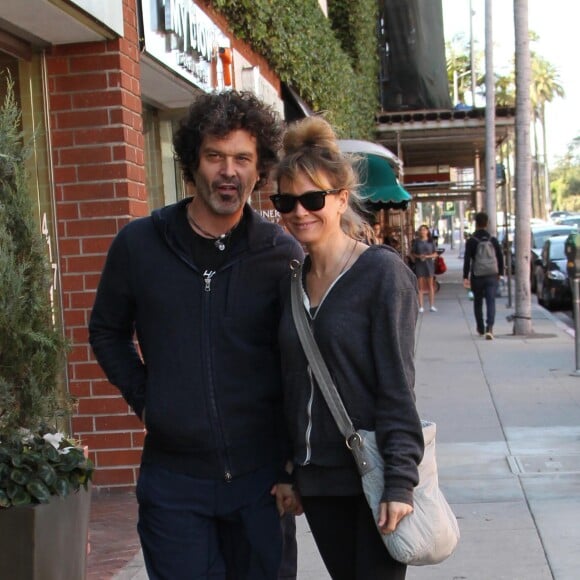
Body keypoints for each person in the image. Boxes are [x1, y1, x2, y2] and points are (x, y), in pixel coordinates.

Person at [89, 91, 304, 580]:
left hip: (260, 484)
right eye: (215, 156)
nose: (228, 171)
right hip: (174, 481)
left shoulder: (281, 255)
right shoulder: (139, 244)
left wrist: (293, 467)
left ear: (259, 168)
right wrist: (148, 400)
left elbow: (301, 365)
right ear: (192, 162)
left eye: (242, 159)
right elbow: (107, 331)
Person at [271, 116, 423, 580]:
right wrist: (290, 471)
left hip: (372, 478)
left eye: (313, 199)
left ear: (340, 199)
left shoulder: (381, 274)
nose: (300, 212)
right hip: (319, 484)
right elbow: (289, 386)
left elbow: (397, 387)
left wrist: (400, 481)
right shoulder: (291, 283)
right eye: (286, 201)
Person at [462, 211, 504, 339]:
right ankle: (489, 328)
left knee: (478, 302)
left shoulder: (472, 241)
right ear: (487, 223)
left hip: (477, 276)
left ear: (476, 223)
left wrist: (465, 276)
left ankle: (480, 328)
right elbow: (500, 257)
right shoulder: (493, 240)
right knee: (491, 301)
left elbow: (467, 259)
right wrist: (500, 273)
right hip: (491, 275)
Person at [411, 225, 438, 313]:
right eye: (421, 230)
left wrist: (427, 256)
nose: (422, 232)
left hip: (429, 264)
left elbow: (435, 254)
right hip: (420, 264)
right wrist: (418, 256)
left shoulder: (431, 242)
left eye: (424, 230)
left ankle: (432, 305)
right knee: (420, 286)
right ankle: (421, 306)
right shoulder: (417, 242)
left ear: (427, 231)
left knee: (430, 285)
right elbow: (412, 253)